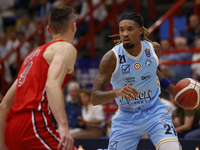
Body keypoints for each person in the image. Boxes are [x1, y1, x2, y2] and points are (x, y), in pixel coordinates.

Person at [91, 12, 181, 150]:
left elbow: (153, 71)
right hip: (127, 116)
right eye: (121, 30)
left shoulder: (154, 49)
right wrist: (117, 92)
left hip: (154, 111)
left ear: (140, 31)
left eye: (130, 29)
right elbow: (95, 98)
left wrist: (176, 92)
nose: (125, 34)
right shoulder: (111, 58)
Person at [0, 5, 78, 150]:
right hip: (33, 124)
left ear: (49, 29)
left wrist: (2, 145)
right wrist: (63, 126)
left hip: (12, 128)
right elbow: (52, 84)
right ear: (73, 27)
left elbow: (5, 104)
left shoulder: (31, 56)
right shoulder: (66, 48)